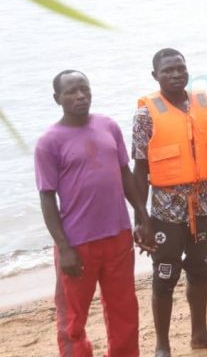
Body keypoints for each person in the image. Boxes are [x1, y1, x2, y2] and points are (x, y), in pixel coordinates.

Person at [35, 70, 154, 357]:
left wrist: (142, 216)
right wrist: (64, 248)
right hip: (77, 243)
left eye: (84, 89)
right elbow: (47, 198)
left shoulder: (108, 126)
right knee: (73, 319)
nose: (80, 96)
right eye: (71, 92)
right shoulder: (49, 142)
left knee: (124, 310)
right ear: (57, 98)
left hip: (118, 236)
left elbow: (125, 175)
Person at [132, 48, 207, 356]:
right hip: (166, 210)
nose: (176, 74)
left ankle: (200, 334)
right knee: (165, 274)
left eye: (180, 68)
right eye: (168, 70)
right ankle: (162, 345)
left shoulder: (203, 106)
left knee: (200, 270)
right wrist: (141, 219)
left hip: (203, 203)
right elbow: (139, 169)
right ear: (155, 76)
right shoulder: (145, 115)